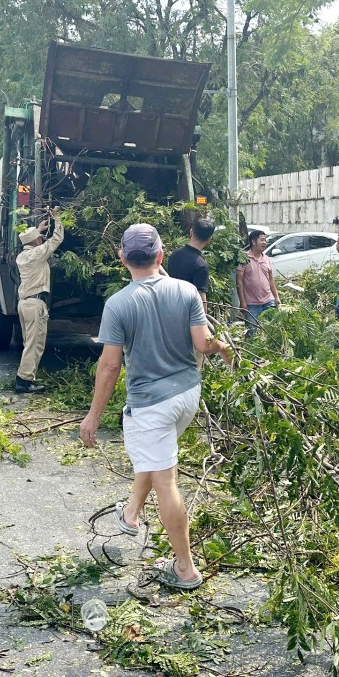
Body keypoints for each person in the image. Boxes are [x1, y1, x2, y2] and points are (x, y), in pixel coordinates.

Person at [79, 224, 232, 591]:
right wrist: (224, 346)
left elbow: (111, 366)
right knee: (155, 456)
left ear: (122, 259)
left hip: (151, 404)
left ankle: (185, 569)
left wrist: (93, 417)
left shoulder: (117, 304)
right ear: (161, 256)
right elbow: (203, 343)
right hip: (186, 397)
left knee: (166, 480)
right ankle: (131, 514)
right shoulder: (186, 292)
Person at [14, 209, 64, 393]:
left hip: (24, 303)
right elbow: (57, 239)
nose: (42, 240)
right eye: (39, 238)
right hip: (35, 304)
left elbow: (35, 242)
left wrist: (38, 230)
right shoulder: (37, 254)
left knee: (29, 342)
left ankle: (25, 377)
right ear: (36, 241)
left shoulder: (22, 256)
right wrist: (58, 218)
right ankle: (24, 381)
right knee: (35, 344)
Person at [236, 229, 279, 333]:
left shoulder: (267, 259)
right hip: (251, 305)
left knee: (270, 333)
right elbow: (239, 282)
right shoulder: (244, 258)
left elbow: (270, 279)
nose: (265, 242)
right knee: (252, 334)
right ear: (253, 242)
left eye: (265, 240)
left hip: (269, 302)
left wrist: (276, 297)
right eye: (262, 240)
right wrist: (242, 301)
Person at [166, 217, 215, 304]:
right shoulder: (201, 265)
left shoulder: (174, 254)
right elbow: (201, 298)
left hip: (169, 306)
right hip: (189, 312)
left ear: (191, 232)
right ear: (209, 239)